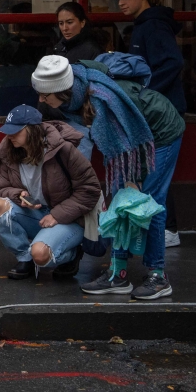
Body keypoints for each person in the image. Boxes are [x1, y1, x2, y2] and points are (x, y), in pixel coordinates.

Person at [31, 54, 185, 299]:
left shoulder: (102, 100)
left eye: (45, 95)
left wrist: (133, 177)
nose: (41, 99)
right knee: (121, 203)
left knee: (148, 203)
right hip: (131, 140)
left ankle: (158, 277)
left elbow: (128, 138)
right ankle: (118, 275)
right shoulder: (74, 98)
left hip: (161, 130)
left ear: (61, 91)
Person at [109, 0, 186, 247]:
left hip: (163, 113)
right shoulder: (143, 25)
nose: (121, 2)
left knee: (158, 172)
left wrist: (145, 93)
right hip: (155, 109)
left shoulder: (153, 26)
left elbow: (173, 62)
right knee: (155, 171)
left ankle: (169, 229)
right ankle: (165, 228)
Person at [0, 105, 101, 280]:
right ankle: (25, 257)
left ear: (31, 131)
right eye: (8, 131)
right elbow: (2, 188)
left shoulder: (63, 150)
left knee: (41, 254)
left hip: (69, 217)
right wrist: (18, 194)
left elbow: (90, 189)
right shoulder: (7, 152)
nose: (10, 136)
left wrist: (57, 215)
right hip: (35, 213)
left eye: (15, 131)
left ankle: (71, 255)